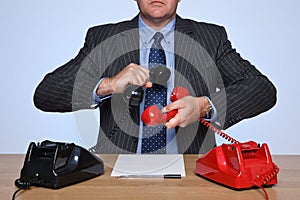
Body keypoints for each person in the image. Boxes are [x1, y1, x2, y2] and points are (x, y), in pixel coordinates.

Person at [33, 0, 277, 154]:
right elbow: (46, 94)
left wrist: (203, 106)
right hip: (117, 173)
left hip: (192, 171)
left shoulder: (210, 38)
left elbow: (262, 89)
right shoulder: (103, 38)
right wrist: (108, 85)